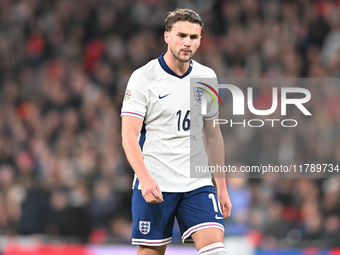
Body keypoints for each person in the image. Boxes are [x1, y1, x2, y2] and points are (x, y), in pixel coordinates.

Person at [121, 8, 232, 255]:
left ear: (200, 40)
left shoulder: (207, 77)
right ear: (167, 36)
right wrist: (145, 178)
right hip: (156, 181)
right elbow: (129, 135)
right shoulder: (143, 78)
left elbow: (213, 135)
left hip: (197, 182)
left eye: (194, 37)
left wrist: (221, 187)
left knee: (216, 251)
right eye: (181, 35)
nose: (187, 42)